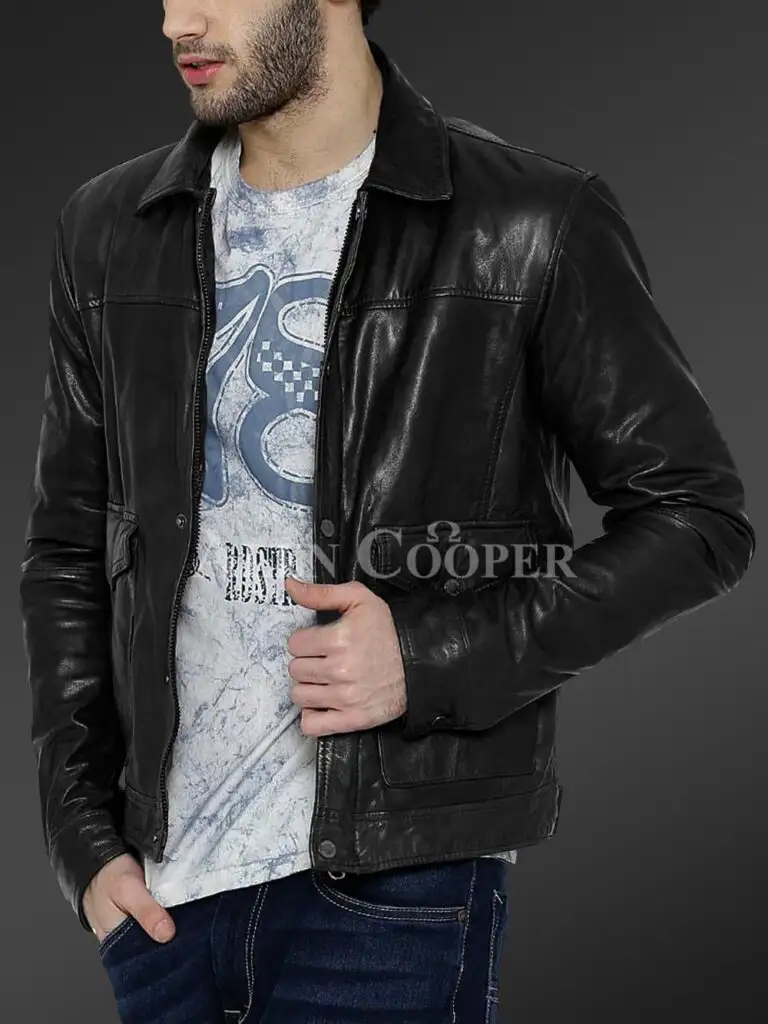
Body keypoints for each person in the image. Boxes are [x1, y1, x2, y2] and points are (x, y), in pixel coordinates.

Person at [19, 1, 755, 1022]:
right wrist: (81, 843)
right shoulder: (109, 229)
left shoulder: (528, 220)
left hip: (392, 899)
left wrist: (431, 658)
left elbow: (698, 518)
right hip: (160, 907)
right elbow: (67, 548)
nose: (176, 20)